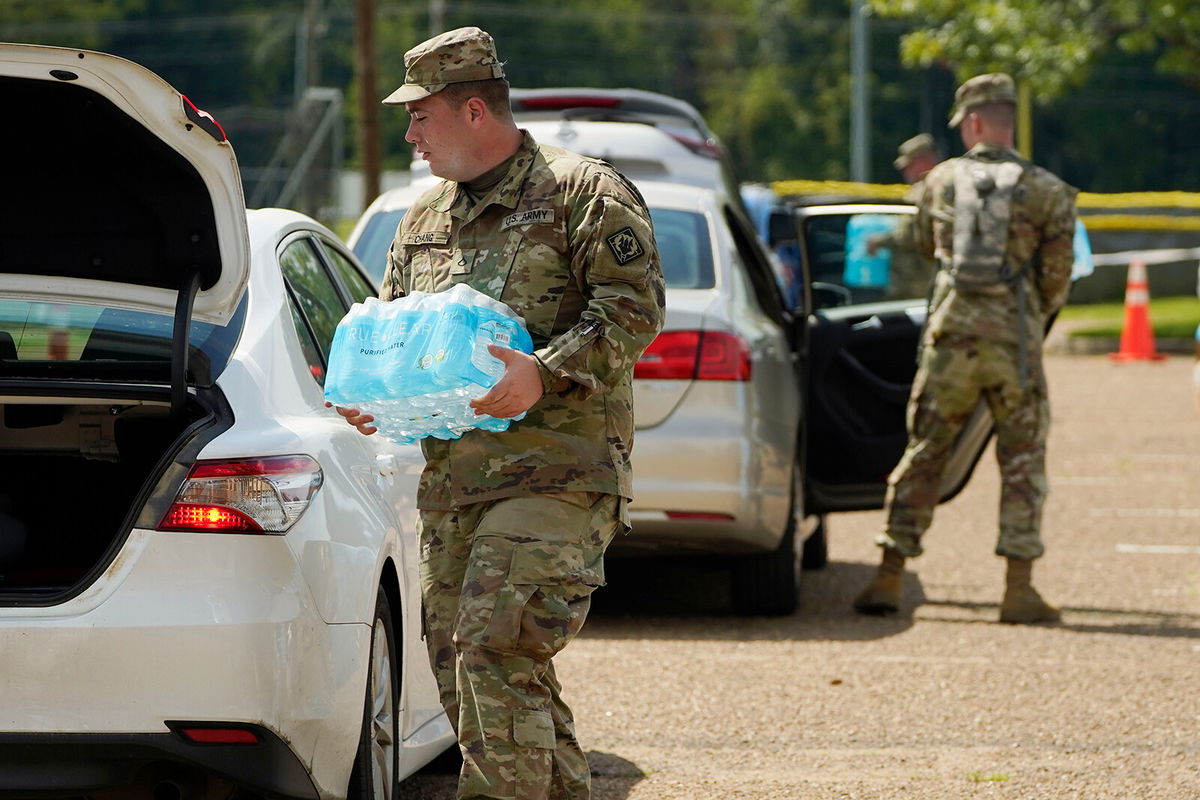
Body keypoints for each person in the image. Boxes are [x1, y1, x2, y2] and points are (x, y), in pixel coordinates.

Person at [329, 27, 665, 800]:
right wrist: (373, 393)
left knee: (494, 645)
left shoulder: (582, 191)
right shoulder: (421, 220)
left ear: (473, 110)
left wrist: (542, 374)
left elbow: (635, 308)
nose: (408, 133)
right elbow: (398, 330)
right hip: (456, 484)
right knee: (460, 661)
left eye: (419, 116)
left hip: (559, 476)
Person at [853, 73, 1077, 624]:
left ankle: (888, 575)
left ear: (973, 122)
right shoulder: (1048, 189)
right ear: (1008, 118)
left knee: (926, 452)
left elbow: (926, 247)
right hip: (1015, 346)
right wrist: (1026, 311)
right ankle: (1018, 588)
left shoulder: (939, 181)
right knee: (1021, 461)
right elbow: (1057, 278)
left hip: (951, 340)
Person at [867, 133, 940, 299]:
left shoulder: (923, 191)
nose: (905, 171)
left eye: (909, 165)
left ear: (923, 161)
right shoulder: (940, 186)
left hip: (915, 282)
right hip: (925, 278)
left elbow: (908, 234)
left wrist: (879, 241)